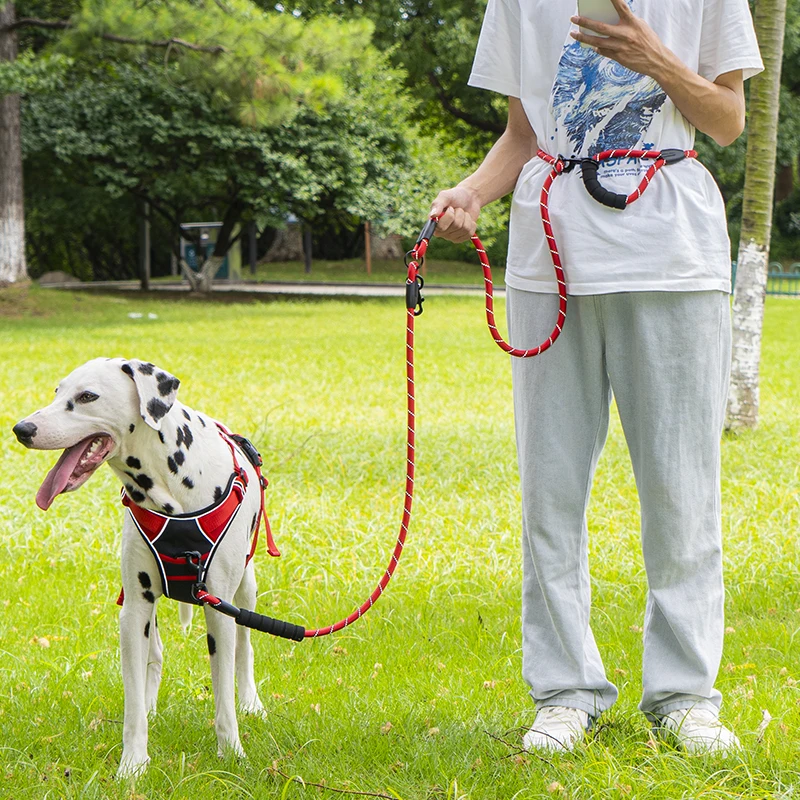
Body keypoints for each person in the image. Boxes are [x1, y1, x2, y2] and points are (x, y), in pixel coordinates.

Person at [430, 0, 763, 752]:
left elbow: (727, 120)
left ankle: (684, 696)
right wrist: (473, 193)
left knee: (681, 489)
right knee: (550, 491)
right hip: (549, 260)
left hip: (672, 259)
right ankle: (564, 691)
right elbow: (524, 134)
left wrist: (656, 59)